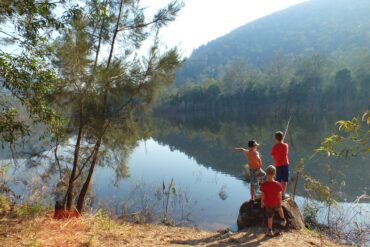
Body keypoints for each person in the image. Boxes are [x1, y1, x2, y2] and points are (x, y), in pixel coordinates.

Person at [260, 165, 287, 237]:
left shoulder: (264, 184)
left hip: (268, 204)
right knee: (280, 209)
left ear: (266, 173)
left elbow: (262, 195)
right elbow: (279, 194)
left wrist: (262, 203)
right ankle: (283, 219)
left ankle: (269, 229)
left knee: (270, 217)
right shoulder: (277, 184)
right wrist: (280, 202)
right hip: (276, 203)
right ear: (274, 174)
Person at [271, 131, 289, 198]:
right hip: (285, 165)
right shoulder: (286, 145)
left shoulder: (274, 147)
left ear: (275, 138)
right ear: (282, 137)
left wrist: (276, 158)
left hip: (278, 165)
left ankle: (277, 194)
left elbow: (273, 156)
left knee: (277, 180)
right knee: (284, 180)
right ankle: (283, 194)